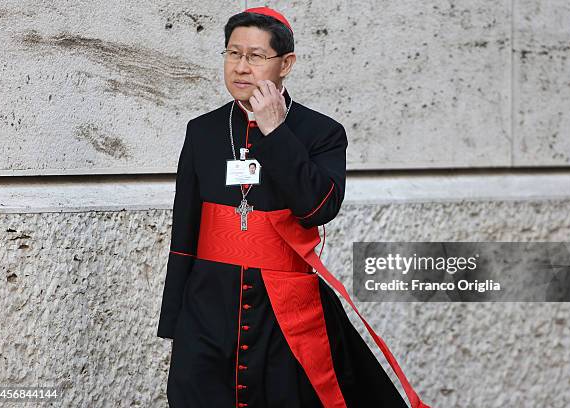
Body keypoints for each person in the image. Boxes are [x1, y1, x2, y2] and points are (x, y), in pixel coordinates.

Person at [156, 6, 429, 408]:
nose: (241, 67)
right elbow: (185, 230)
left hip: (285, 313)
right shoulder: (203, 131)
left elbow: (318, 207)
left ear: (286, 64)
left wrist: (276, 132)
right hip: (207, 308)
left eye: (256, 56)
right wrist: (176, 319)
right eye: (233, 53)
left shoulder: (321, 132)